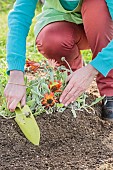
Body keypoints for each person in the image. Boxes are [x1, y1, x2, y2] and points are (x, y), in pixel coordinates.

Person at [4, 0, 113, 121]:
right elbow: (19, 18)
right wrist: (16, 75)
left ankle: (110, 89)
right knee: (52, 39)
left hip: (103, 25)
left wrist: (93, 69)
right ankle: (71, 83)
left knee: (96, 4)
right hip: (63, 22)